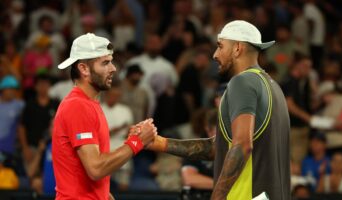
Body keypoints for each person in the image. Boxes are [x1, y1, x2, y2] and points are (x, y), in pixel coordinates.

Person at [146, 20, 291, 199]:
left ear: (237, 48)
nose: (215, 55)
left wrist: (217, 197)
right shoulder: (273, 86)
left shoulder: (242, 82)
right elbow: (218, 147)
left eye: (220, 46)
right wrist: (161, 143)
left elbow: (242, 145)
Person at [52, 33, 157, 200]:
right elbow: (96, 168)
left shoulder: (89, 104)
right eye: (105, 63)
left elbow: (89, 170)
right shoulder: (78, 106)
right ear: (84, 69)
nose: (114, 68)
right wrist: (137, 142)